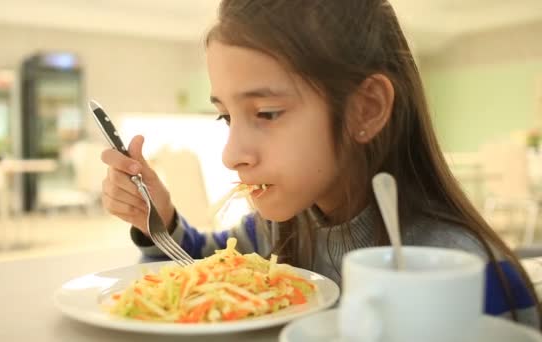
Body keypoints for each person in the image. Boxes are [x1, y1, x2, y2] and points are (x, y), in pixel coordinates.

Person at [100, 0, 540, 328]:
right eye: (226, 116)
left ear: (365, 110)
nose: (231, 154)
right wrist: (157, 219)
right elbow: (199, 274)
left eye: (267, 113)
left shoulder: (466, 275)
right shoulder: (273, 233)